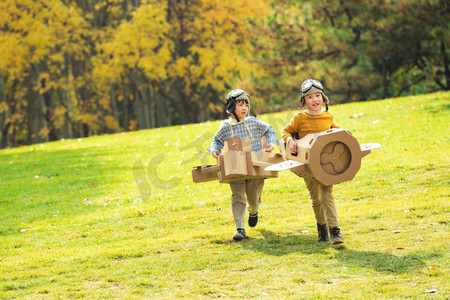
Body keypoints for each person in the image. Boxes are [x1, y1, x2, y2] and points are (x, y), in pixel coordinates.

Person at [208, 89, 278, 241]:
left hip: (255, 166)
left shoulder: (253, 122)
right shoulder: (226, 127)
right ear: (231, 107)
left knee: (253, 197)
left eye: (247, 104)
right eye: (240, 104)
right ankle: (240, 228)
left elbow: (269, 129)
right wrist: (214, 151)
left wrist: (271, 143)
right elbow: (216, 142)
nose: (245, 107)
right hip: (235, 168)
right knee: (238, 195)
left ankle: (253, 211)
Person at [281, 79, 344, 244]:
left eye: (318, 95)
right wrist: (290, 141)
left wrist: (343, 134)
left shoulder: (328, 115)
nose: (315, 99)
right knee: (315, 197)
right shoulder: (300, 117)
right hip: (306, 164)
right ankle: (322, 230)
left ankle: (335, 231)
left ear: (324, 98)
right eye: (310, 97)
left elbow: (334, 128)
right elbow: (285, 131)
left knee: (326, 194)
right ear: (304, 102)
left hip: (325, 164)